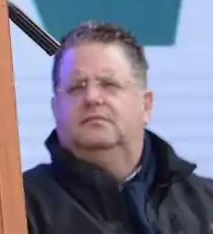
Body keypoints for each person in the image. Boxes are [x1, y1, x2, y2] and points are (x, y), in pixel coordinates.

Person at [23, 20, 213, 233]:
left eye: (109, 84)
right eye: (77, 87)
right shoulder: (20, 207)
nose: (92, 98)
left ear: (146, 105)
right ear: (55, 108)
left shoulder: (206, 205)